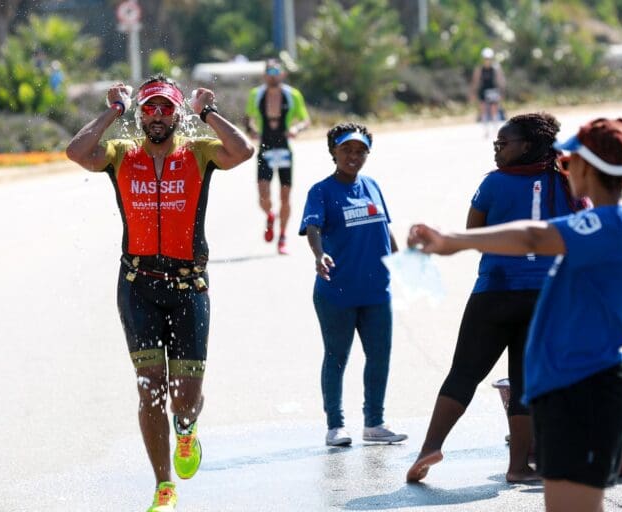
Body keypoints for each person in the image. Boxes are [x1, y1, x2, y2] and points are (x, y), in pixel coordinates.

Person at [408, 118, 622, 512]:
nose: (562, 167)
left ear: (589, 168)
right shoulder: (609, 222)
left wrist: (454, 240)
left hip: (585, 386)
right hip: (571, 386)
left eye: (570, 162)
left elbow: (534, 235)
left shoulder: (611, 222)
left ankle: (434, 446)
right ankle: (516, 464)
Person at [65, 75, 254, 512]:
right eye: (148, 108)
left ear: (177, 113)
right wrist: (114, 110)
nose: (156, 117)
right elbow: (77, 153)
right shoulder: (120, 154)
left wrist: (205, 112)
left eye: (166, 109)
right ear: (140, 113)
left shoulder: (198, 152)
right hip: (137, 286)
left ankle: (186, 432)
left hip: (189, 286)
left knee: (184, 396)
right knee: (149, 387)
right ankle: (163, 487)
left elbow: (243, 151)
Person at [406, 113, 584, 484]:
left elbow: (474, 232)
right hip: (546, 297)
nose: (497, 150)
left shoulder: (494, 183)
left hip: (496, 291)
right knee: (524, 382)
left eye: (503, 144)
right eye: (496, 144)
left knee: (464, 372)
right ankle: (518, 468)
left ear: (528, 146)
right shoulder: (567, 184)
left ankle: (430, 447)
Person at [299, 123, 407, 447]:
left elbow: (384, 228)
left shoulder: (372, 185)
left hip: (376, 290)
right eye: (346, 149)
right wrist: (319, 256)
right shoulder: (321, 191)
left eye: (360, 151)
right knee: (336, 356)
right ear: (333, 151)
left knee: (379, 355)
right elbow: (313, 228)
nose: (353, 156)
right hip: (337, 290)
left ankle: (374, 423)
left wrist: (402, 260)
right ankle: (335, 425)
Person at [245, 58, 311, 254]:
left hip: (284, 147)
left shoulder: (292, 95)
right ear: (265, 75)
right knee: (263, 195)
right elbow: (248, 118)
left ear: (283, 74)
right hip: (265, 146)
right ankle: (270, 215)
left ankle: (282, 236)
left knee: (285, 195)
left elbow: (305, 119)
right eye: (270, 73)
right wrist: (252, 130)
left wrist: (296, 128)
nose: (273, 77)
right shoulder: (256, 94)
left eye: (277, 73)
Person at [469, 47, 506, 138]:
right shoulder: (479, 69)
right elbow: (475, 81)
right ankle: (486, 131)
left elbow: (501, 81)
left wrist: (502, 92)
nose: (487, 60)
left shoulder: (495, 68)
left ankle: (495, 130)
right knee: (483, 110)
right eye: (486, 58)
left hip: (493, 90)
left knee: (494, 110)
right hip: (483, 91)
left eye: (489, 58)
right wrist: (472, 93)